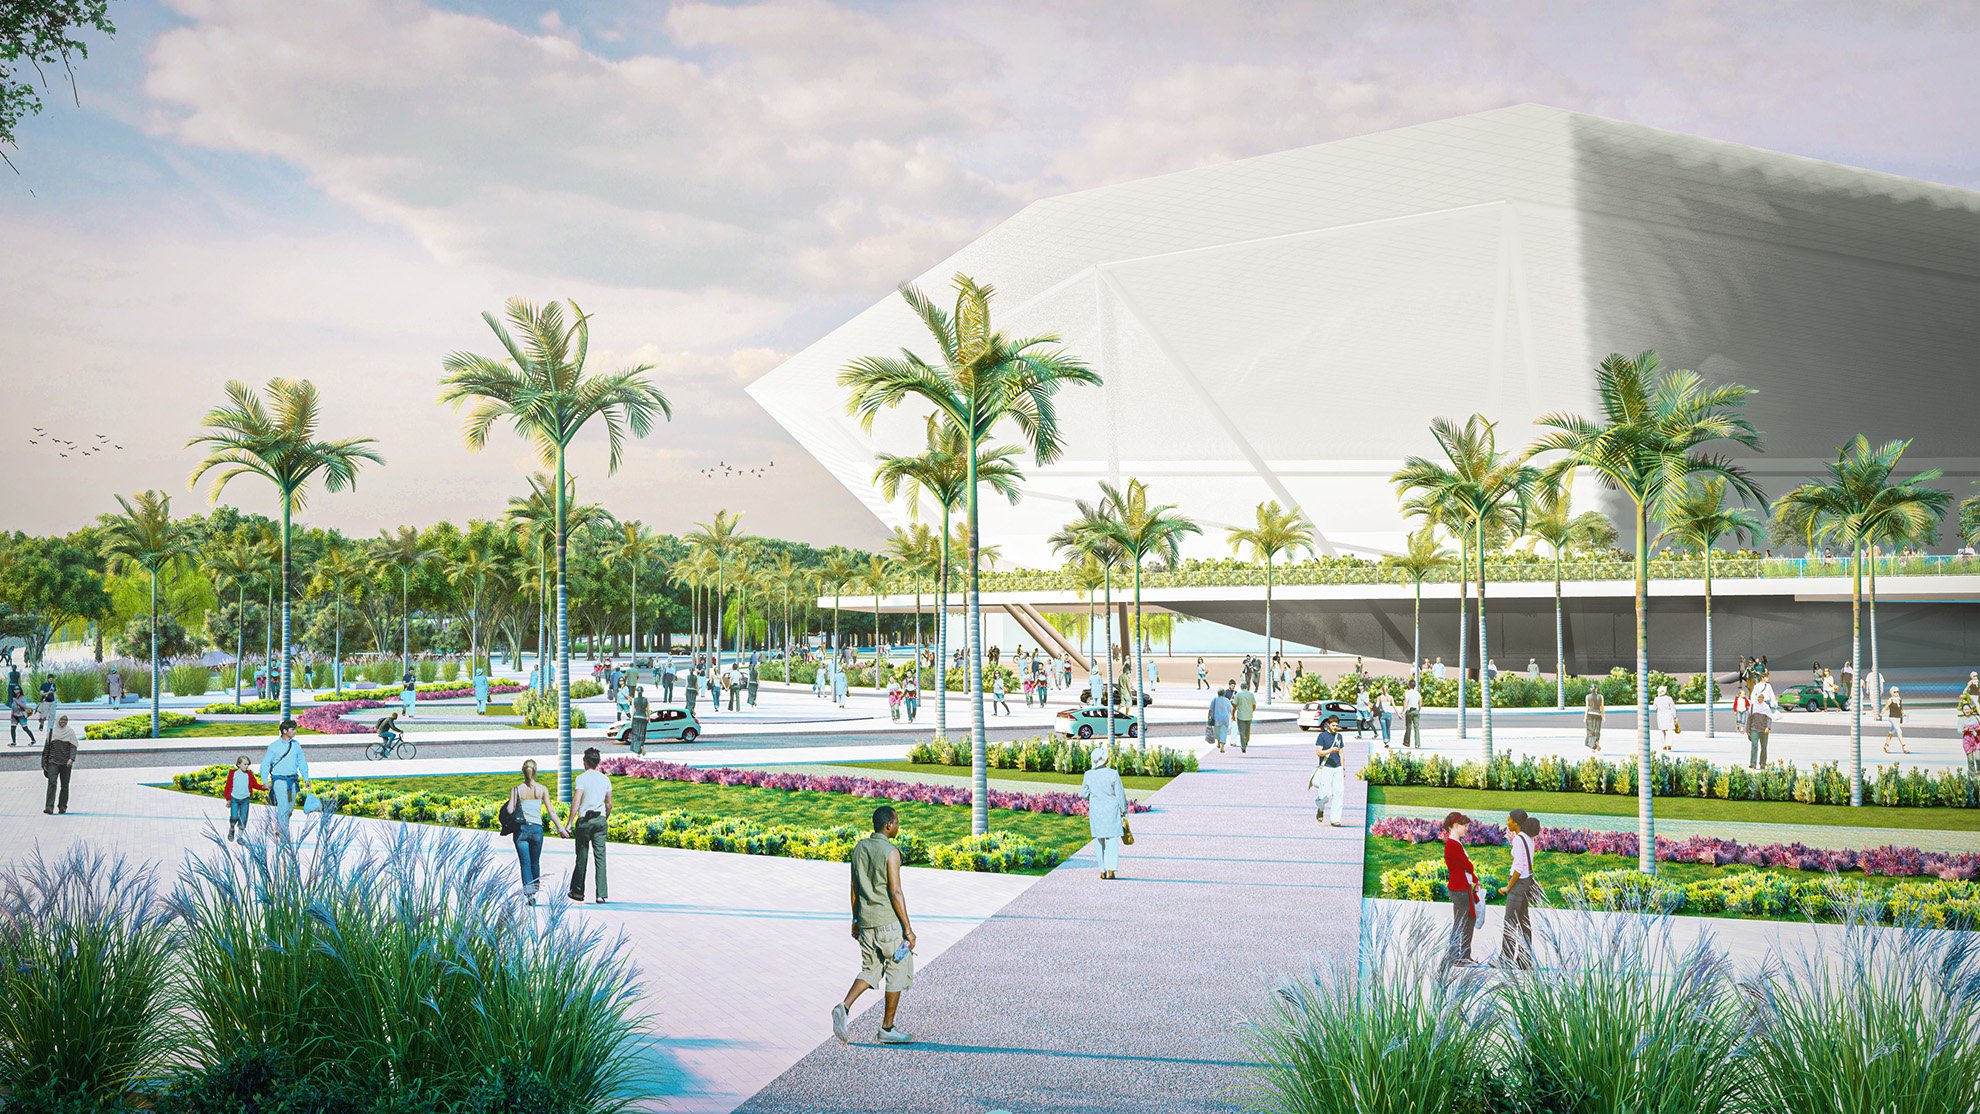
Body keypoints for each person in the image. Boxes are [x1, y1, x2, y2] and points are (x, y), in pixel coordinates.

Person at [831, 804, 918, 1046]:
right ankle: (887, 1029)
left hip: (866, 923)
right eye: (897, 822)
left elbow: (854, 887)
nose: (898, 826)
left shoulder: (859, 848)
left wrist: (855, 919)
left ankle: (844, 1006)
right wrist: (908, 930)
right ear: (888, 825)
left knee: (870, 970)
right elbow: (895, 892)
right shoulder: (891, 852)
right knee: (897, 970)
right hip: (888, 923)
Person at [508, 759, 568, 904]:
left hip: (521, 830)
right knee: (535, 862)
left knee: (525, 863)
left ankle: (530, 895)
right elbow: (551, 811)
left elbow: (510, 810)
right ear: (535, 772)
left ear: (523, 772)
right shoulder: (542, 789)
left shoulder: (516, 790)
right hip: (537, 830)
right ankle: (534, 889)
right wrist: (561, 829)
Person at [567, 747, 611, 904]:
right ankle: (601, 894)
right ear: (598, 762)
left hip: (585, 821)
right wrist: (604, 818)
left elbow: (576, 801)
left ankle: (578, 892)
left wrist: (569, 823)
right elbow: (609, 804)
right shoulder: (605, 779)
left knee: (582, 856)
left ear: (585, 761)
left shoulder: (581, 779)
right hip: (600, 820)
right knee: (600, 857)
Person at [1500, 810, 1543, 969]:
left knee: (1510, 922)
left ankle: (1505, 959)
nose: (1507, 823)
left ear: (1516, 823)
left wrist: (1508, 887)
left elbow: (1518, 868)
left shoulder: (1519, 839)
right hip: (1527, 882)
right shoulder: (1528, 838)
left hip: (1518, 884)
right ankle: (1525, 959)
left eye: (1509, 820)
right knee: (1524, 922)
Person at [1080, 745, 1128, 879]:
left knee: (1099, 840)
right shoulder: (1113, 773)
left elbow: (1083, 794)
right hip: (1112, 810)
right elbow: (1120, 794)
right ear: (1104, 760)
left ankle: (1102, 870)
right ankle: (1111, 869)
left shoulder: (1088, 775)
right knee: (1112, 840)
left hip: (1097, 810)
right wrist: (1124, 810)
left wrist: (1093, 795)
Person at [261, 719, 310, 842]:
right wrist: (265, 781)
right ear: (284, 731)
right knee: (283, 808)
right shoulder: (274, 747)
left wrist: (306, 778)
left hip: (292, 781)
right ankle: (284, 836)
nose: (295, 731)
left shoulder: (296, 745)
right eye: (292, 729)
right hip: (279, 781)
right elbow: (265, 764)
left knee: (289, 809)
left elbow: (302, 762)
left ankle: (279, 827)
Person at [1442, 812, 1480, 968]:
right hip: (1459, 889)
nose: (1466, 829)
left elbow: (1466, 868)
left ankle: (1462, 956)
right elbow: (1467, 865)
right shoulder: (1453, 845)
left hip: (1461, 887)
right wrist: (1472, 872)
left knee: (1466, 921)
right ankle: (1457, 956)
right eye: (1464, 826)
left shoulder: (1455, 843)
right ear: (1456, 826)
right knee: (1462, 922)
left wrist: (1475, 880)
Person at [1310, 716, 1346, 826]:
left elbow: (1341, 753)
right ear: (1328, 725)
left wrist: (1343, 768)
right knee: (1324, 795)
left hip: (1338, 768)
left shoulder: (1339, 736)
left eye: (1337, 725)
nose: (1335, 727)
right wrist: (1330, 750)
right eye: (1333, 725)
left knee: (1338, 793)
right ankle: (1320, 808)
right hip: (1326, 768)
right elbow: (1319, 752)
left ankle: (1335, 819)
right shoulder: (1322, 736)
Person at [41, 713, 78, 816]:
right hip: (53, 762)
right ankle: (49, 807)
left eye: (65, 720)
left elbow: (73, 746)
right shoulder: (52, 732)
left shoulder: (70, 732)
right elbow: (46, 748)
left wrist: (71, 759)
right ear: (58, 720)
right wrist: (44, 762)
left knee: (65, 785)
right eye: (62, 719)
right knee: (52, 783)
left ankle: (62, 807)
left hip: (66, 763)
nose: (63, 721)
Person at [223, 754, 264, 841]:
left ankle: (240, 836)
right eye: (245, 764)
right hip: (234, 799)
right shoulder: (233, 774)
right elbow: (228, 786)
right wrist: (228, 799)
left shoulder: (249, 774)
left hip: (245, 800)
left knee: (243, 818)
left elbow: (255, 785)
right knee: (234, 816)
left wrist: (264, 787)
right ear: (238, 764)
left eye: (248, 764)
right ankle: (232, 828)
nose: (246, 766)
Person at [1747, 674, 1776, 768]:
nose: (1761, 699)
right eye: (1759, 697)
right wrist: (1748, 730)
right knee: (1754, 745)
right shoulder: (1753, 707)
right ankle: (1753, 763)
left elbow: (1769, 717)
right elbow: (1749, 719)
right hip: (1754, 729)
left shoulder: (1766, 707)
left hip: (1764, 729)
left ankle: (1763, 763)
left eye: (1762, 698)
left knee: (1764, 747)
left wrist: (1768, 727)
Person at [1232, 683, 1257, 753]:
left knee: (1242, 732)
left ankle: (1243, 746)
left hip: (1240, 716)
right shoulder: (1251, 694)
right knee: (1247, 731)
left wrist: (1233, 715)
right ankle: (1246, 741)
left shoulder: (1238, 695)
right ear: (1247, 687)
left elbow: (1234, 706)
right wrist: (1251, 711)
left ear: (1241, 687)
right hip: (1249, 716)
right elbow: (1254, 705)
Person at [1883, 686, 1907, 754]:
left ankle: (1886, 745)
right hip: (1892, 717)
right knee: (1899, 730)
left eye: (1897, 692)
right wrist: (1880, 715)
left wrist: (1903, 713)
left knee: (1892, 732)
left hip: (1898, 717)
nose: (1896, 693)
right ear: (1891, 693)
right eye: (1894, 692)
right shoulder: (1890, 700)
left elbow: (1901, 708)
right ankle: (1904, 746)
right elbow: (1885, 707)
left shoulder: (1899, 699)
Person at [1208, 686, 1233, 752]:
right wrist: (1233, 716)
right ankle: (1222, 746)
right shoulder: (1227, 700)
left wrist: (1209, 717)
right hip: (1225, 718)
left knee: (1217, 732)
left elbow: (1210, 710)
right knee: (1223, 732)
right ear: (1224, 693)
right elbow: (1231, 709)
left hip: (1216, 718)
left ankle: (1218, 743)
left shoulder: (1214, 699)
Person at [1654, 685, 1678, 750]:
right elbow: (1673, 708)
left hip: (1660, 716)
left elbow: (1654, 708)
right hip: (1668, 715)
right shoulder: (1669, 698)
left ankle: (1664, 745)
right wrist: (1675, 716)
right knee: (1669, 730)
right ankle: (1669, 744)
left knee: (1662, 730)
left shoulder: (1656, 699)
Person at [628, 685, 650, 755]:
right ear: (642, 692)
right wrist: (649, 719)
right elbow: (648, 710)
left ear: (637, 692)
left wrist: (631, 720)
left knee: (636, 734)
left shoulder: (634, 700)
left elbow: (633, 710)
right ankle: (641, 745)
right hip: (643, 717)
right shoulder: (646, 699)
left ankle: (637, 751)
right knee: (642, 733)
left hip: (636, 717)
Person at [1402, 680, 1422, 747]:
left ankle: (1407, 742)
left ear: (1409, 685)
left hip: (1409, 711)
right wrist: (1418, 710)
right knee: (1416, 728)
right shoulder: (1418, 693)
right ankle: (1417, 743)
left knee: (1408, 727)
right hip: (1416, 710)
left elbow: (1405, 703)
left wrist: (1402, 712)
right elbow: (1420, 704)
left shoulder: (1408, 693)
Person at [1584, 686, 1604, 751]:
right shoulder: (1601, 696)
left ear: (1591, 689)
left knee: (1591, 731)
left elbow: (1587, 707)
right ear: (1596, 689)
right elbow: (1602, 707)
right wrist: (1603, 716)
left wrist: (1585, 717)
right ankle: (1597, 742)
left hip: (1590, 714)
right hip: (1598, 714)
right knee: (1597, 730)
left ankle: (1593, 747)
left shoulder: (1587, 696)